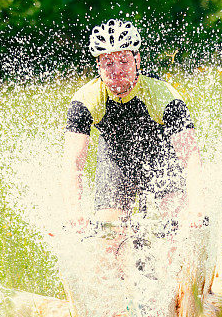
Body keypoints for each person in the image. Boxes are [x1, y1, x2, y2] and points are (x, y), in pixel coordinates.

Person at [60, 19, 206, 228]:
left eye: (124, 61)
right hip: (115, 160)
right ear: (99, 66)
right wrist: (74, 213)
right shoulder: (86, 99)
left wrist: (197, 209)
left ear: (137, 60)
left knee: (176, 225)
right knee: (109, 233)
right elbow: (73, 162)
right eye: (108, 63)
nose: (116, 70)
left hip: (161, 157)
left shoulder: (163, 95)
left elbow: (190, 155)